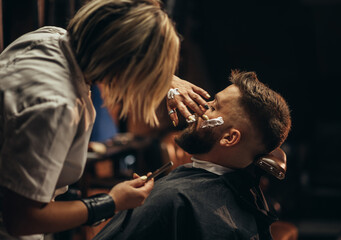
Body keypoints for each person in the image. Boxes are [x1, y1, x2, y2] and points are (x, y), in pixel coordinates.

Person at [0, 0, 211, 239]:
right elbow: (22, 219)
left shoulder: (48, 38)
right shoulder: (57, 106)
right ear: (127, 60)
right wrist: (110, 202)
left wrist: (164, 75)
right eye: (146, 70)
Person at [93, 70, 292, 240]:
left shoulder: (174, 199)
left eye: (214, 107)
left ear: (229, 138)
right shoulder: (245, 193)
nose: (201, 107)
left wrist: (111, 203)